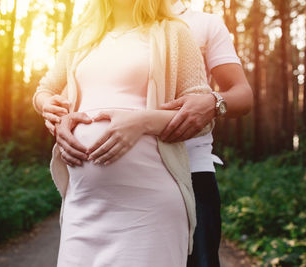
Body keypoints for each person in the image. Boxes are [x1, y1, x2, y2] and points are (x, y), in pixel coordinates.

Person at [32, 0, 215, 266]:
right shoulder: (81, 36)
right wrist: (47, 105)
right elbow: (44, 89)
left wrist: (141, 122)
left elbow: (201, 117)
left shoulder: (174, 32)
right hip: (82, 205)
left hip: (149, 208)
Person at [162, 1, 253, 267]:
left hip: (193, 171)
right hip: (129, 171)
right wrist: (44, 99)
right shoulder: (114, 25)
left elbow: (242, 94)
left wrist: (213, 102)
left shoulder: (205, 24)